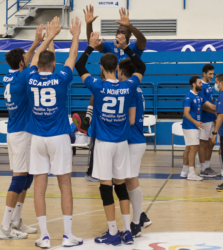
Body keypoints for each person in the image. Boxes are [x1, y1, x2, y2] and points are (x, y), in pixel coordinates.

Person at [75, 32, 146, 246]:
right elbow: (141, 67)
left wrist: (88, 47)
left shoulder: (97, 85)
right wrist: (126, 48)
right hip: (123, 144)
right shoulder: (128, 86)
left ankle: (113, 233)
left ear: (101, 68)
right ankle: (127, 232)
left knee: (106, 187)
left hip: (104, 144)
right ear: (117, 68)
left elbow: (79, 66)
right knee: (121, 186)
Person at [27, 17, 82, 248]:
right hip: (59, 137)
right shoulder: (61, 78)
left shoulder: (29, 77)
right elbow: (71, 57)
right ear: (53, 65)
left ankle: (45, 236)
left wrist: (47, 37)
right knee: (65, 185)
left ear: (39, 64)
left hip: (37, 138)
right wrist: (75, 35)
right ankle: (68, 236)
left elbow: (34, 57)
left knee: (39, 187)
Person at [0, 25, 45, 240]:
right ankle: (5, 227)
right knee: (18, 180)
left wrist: (34, 43)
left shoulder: (8, 76)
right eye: (24, 60)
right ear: (21, 64)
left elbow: (27, 60)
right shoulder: (22, 77)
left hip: (18, 130)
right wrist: (40, 40)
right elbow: (33, 61)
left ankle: (16, 221)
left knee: (27, 178)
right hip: (21, 133)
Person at [116, 58, 152, 237]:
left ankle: (136, 223)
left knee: (130, 181)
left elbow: (129, 119)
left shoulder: (129, 90)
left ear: (121, 72)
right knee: (127, 181)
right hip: (134, 140)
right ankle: (142, 216)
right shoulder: (136, 88)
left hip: (134, 140)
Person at [181, 76, 216, 181]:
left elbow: (209, 107)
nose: (202, 84)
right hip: (190, 126)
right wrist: (195, 122)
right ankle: (191, 173)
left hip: (194, 125)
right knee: (194, 148)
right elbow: (186, 113)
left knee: (188, 147)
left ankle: (184, 171)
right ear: (194, 84)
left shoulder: (199, 97)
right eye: (200, 83)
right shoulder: (188, 97)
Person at [199, 64, 218, 177]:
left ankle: (207, 165)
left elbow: (211, 103)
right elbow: (203, 105)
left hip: (211, 119)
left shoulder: (209, 85)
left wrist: (215, 116)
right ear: (204, 73)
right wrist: (216, 110)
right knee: (203, 143)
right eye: (210, 74)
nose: (212, 76)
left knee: (211, 143)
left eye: (213, 74)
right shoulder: (201, 86)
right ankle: (202, 168)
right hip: (204, 119)